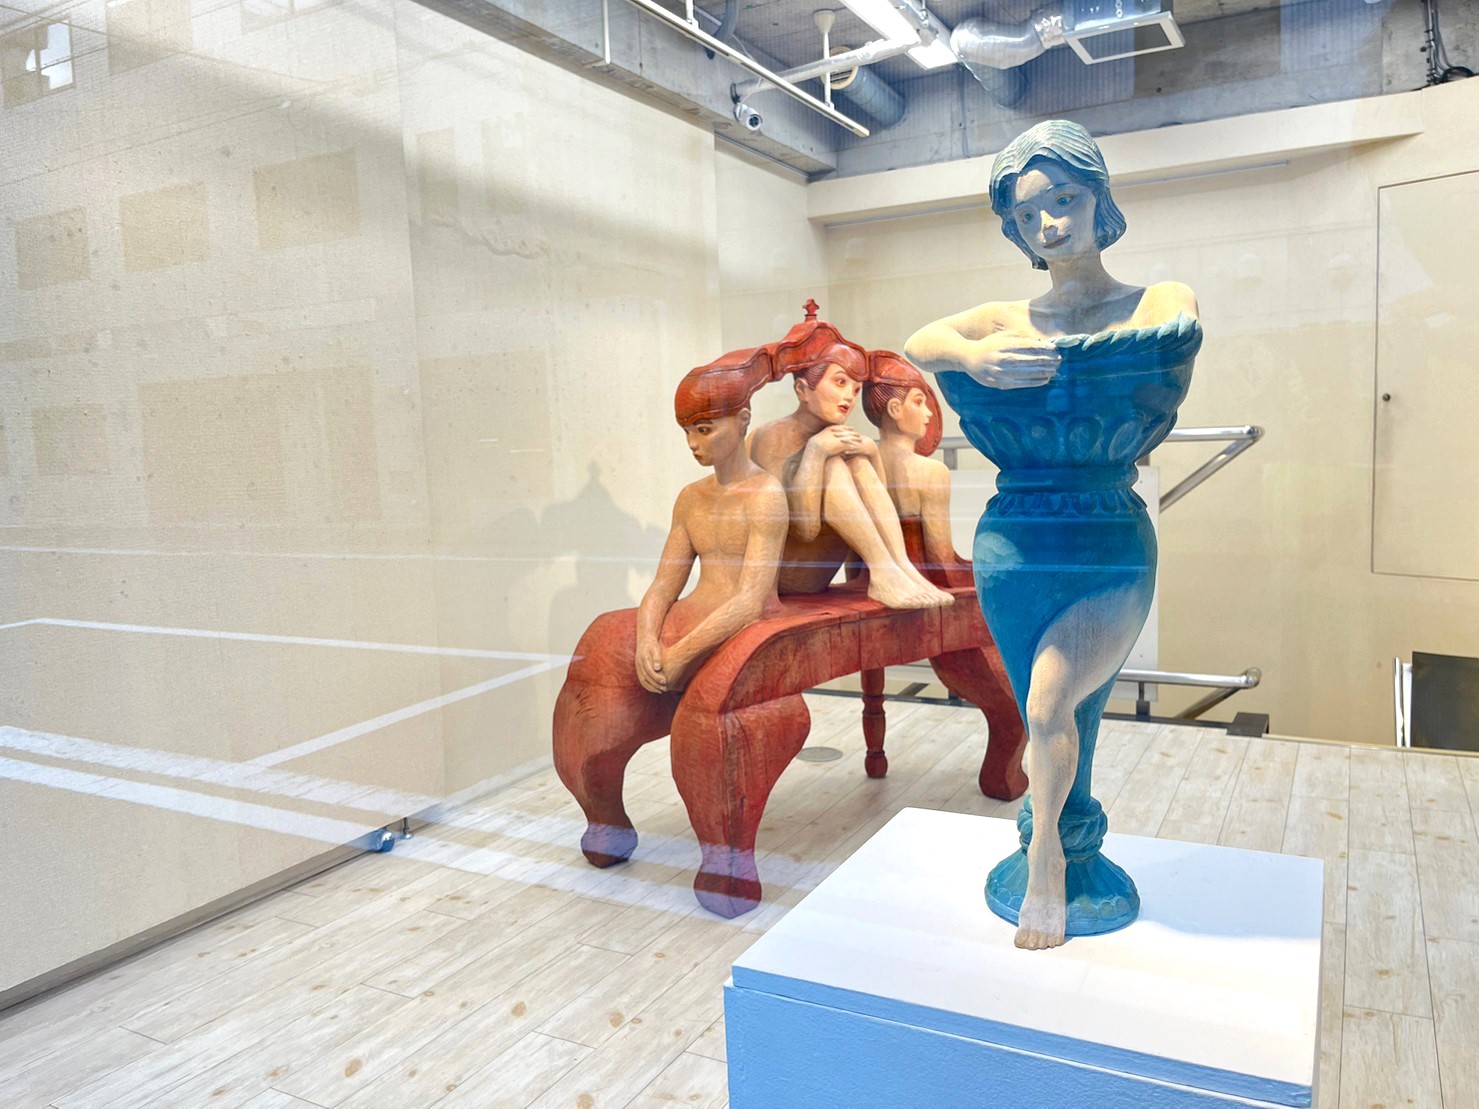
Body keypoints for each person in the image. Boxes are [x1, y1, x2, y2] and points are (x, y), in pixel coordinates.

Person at [905, 119, 1202, 950]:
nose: (1048, 224)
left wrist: (1063, 359)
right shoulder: (1006, 319)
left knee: (1047, 705)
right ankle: (1068, 839)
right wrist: (976, 360)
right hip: (1014, 541)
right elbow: (920, 342)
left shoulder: (1153, 300)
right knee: (1054, 709)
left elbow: (1177, 328)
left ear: (1099, 197)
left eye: (1064, 200)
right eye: (1027, 214)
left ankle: (1047, 860)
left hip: (1103, 537)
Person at [552, 358, 788, 866]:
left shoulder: (766, 495)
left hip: (746, 628)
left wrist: (679, 653)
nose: (693, 444)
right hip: (692, 617)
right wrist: (645, 639)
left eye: (705, 429)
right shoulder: (691, 498)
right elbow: (663, 584)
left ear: (742, 420)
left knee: (710, 719)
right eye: (687, 431)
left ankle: (724, 854)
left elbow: (750, 600)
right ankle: (603, 816)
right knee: (602, 637)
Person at [748, 343, 953, 610]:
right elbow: (805, 530)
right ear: (802, 390)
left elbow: (876, 507)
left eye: (856, 390)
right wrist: (815, 452)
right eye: (840, 383)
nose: (849, 397)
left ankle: (899, 567)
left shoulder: (836, 434)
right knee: (834, 463)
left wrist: (872, 454)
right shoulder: (772, 437)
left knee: (856, 460)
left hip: (822, 569)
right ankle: (883, 572)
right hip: (790, 573)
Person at [861, 353, 970, 589]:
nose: (928, 413)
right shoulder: (931, 472)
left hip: (870, 586)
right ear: (895, 409)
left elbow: (856, 568)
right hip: (918, 588)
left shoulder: (860, 465)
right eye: (919, 402)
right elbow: (940, 564)